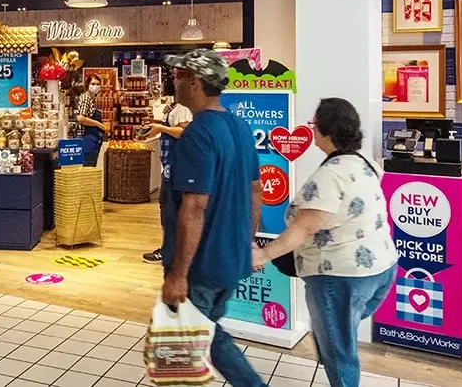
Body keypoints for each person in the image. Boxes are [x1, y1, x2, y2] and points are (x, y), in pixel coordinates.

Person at [254, 98, 398, 387]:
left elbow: (305, 228)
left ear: (326, 131)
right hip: (381, 267)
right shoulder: (364, 162)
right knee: (336, 333)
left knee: (338, 352)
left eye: (314, 124)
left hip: (340, 276)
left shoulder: (330, 175)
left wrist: (263, 254)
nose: (312, 130)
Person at [160, 49, 265, 387]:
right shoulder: (240, 126)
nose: (174, 82)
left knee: (184, 348)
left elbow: (194, 207)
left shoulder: (198, 133)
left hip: (201, 265)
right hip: (231, 259)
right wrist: (248, 243)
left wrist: (177, 275)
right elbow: (256, 192)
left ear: (195, 82)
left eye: (179, 76)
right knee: (208, 336)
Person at [142, 75, 193, 264]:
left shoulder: (184, 108)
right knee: (168, 208)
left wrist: (160, 129)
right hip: (170, 164)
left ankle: (170, 250)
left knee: (170, 210)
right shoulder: (175, 106)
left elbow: (184, 132)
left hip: (176, 165)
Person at [73, 77, 107, 166]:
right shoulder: (86, 98)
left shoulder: (92, 98)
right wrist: (99, 125)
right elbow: (81, 118)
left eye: (98, 84)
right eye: (93, 84)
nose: (95, 86)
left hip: (92, 137)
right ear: (87, 85)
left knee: (91, 165)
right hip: (87, 137)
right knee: (88, 167)